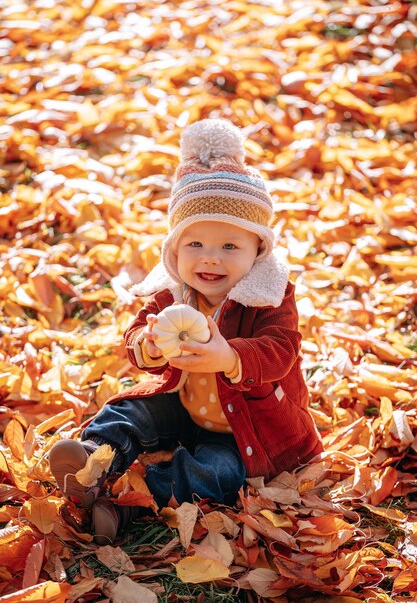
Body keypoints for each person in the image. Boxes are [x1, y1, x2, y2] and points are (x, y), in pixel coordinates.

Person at [49, 118, 323, 544]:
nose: (210, 259)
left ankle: (127, 502)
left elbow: (280, 349)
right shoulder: (176, 292)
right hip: (184, 406)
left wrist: (230, 357)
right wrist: (149, 345)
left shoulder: (268, 296)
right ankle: (92, 461)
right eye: (195, 244)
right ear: (175, 249)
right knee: (130, 412)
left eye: (230, 246)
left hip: (244, 432)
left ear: (258, 251)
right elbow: (137, 333)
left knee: (216, 475)